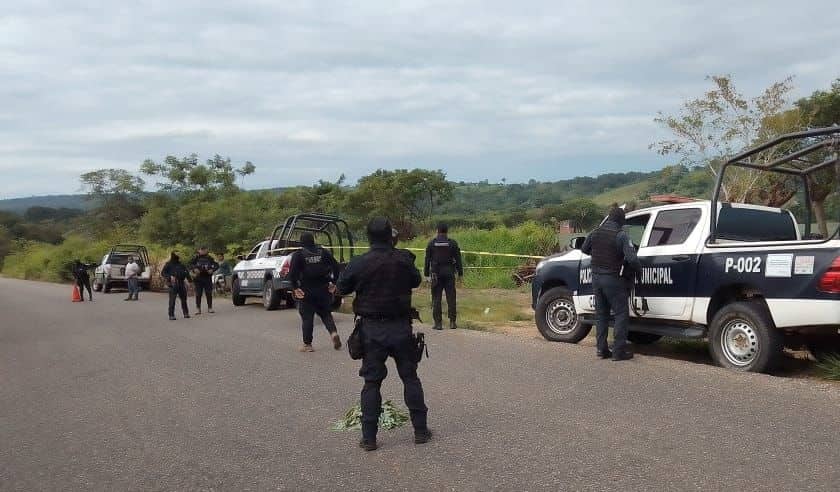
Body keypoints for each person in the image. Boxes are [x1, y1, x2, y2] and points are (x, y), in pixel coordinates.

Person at [337, 217, 431, 452]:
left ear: (368, 237)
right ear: (391, 236)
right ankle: (420, 432)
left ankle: (369, 438)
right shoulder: (403, 259)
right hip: (400, 327)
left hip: (372, 330)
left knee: (372, 383)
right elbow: (416, 280)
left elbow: (342, 287)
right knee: (410, 377)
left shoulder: (360, 263)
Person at [581, 206, 641, 361]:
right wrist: (638, 272)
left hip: (596, 278)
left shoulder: (595, 232)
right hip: (612, 279)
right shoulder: (621, 235)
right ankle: (618, 351)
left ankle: (602, 350)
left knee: (601, 315)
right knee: (621, 314)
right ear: (621, 220)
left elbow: (584, 249)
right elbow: (632, 259)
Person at [288, 233, 342, 352]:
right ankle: (333, 333)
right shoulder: (323, 252)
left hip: (306, 290)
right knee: (326, 314)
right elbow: (336, 266)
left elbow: (292, 274)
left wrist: (295, 288)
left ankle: (307, 345)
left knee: (307, 317)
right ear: (313, 241)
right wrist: (334, 282)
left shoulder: (298, 254)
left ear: (301, 242)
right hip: (323, 288)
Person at [424, 222, 463, 330]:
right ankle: (452, 322)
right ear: (447, 231)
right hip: (449, 273)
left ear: (437, 230)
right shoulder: (453, 243)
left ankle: (438, 323)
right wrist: (460, 274)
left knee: (436, 298)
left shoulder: (432, 243)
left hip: (436, 274)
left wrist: (426, 275)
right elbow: (458, 259)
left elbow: (427, 260)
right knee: (451, 297)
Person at [161, 252, 192, 321]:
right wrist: (169, 277)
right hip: (173, 284)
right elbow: (163, 273)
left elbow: (186, 273)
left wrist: (190, 281)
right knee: (172, 300)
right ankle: (171, 315)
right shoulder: (168, 264)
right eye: (177, 254)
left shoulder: (181, 264)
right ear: (173, 255)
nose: (179, 255)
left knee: (184, 299)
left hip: (181, 283)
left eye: (179, 254)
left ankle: (186, 313)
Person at [189, 246, 219, 315]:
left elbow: (216, 265)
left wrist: (212, 269)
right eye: (201, 250)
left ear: (206, 250)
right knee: (198, 294)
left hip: (207, 278)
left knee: (208, 293)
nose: (203, 251)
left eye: (204, 250)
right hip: (198, 278)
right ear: (199, 250)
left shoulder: (209, 258)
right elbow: (189, 264)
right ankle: (198, 309)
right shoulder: (195, 258)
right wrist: (194, 269)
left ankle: (210, 308)